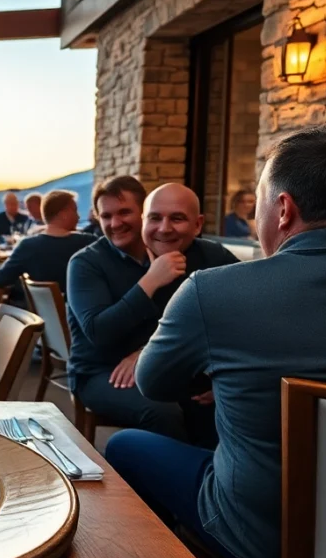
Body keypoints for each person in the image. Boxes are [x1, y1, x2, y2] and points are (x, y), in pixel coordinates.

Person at [106, 125, 326, 558]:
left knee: (124, 445)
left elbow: (154, 383)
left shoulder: (215, 291)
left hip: (266, 542)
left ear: (285, 209)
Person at [66, 178, 237, 442]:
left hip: (172, 367)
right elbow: (99, 333)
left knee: (225, 399)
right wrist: (150, 281)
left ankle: (212, 477)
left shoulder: (207, 256)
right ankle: (168, 479)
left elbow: (241, 316)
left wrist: (148, 352)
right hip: (101, 372)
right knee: (163, 411)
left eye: (124, 212)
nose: (115, 223)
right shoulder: (86, 263)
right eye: (106, 216)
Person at [0, 190, 96, 304]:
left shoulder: (28, 246)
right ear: (64, 214)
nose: (78, 216)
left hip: (40, 317)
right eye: (75, 211)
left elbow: (0, 279)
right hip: (82, 314)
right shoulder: (89, 243)